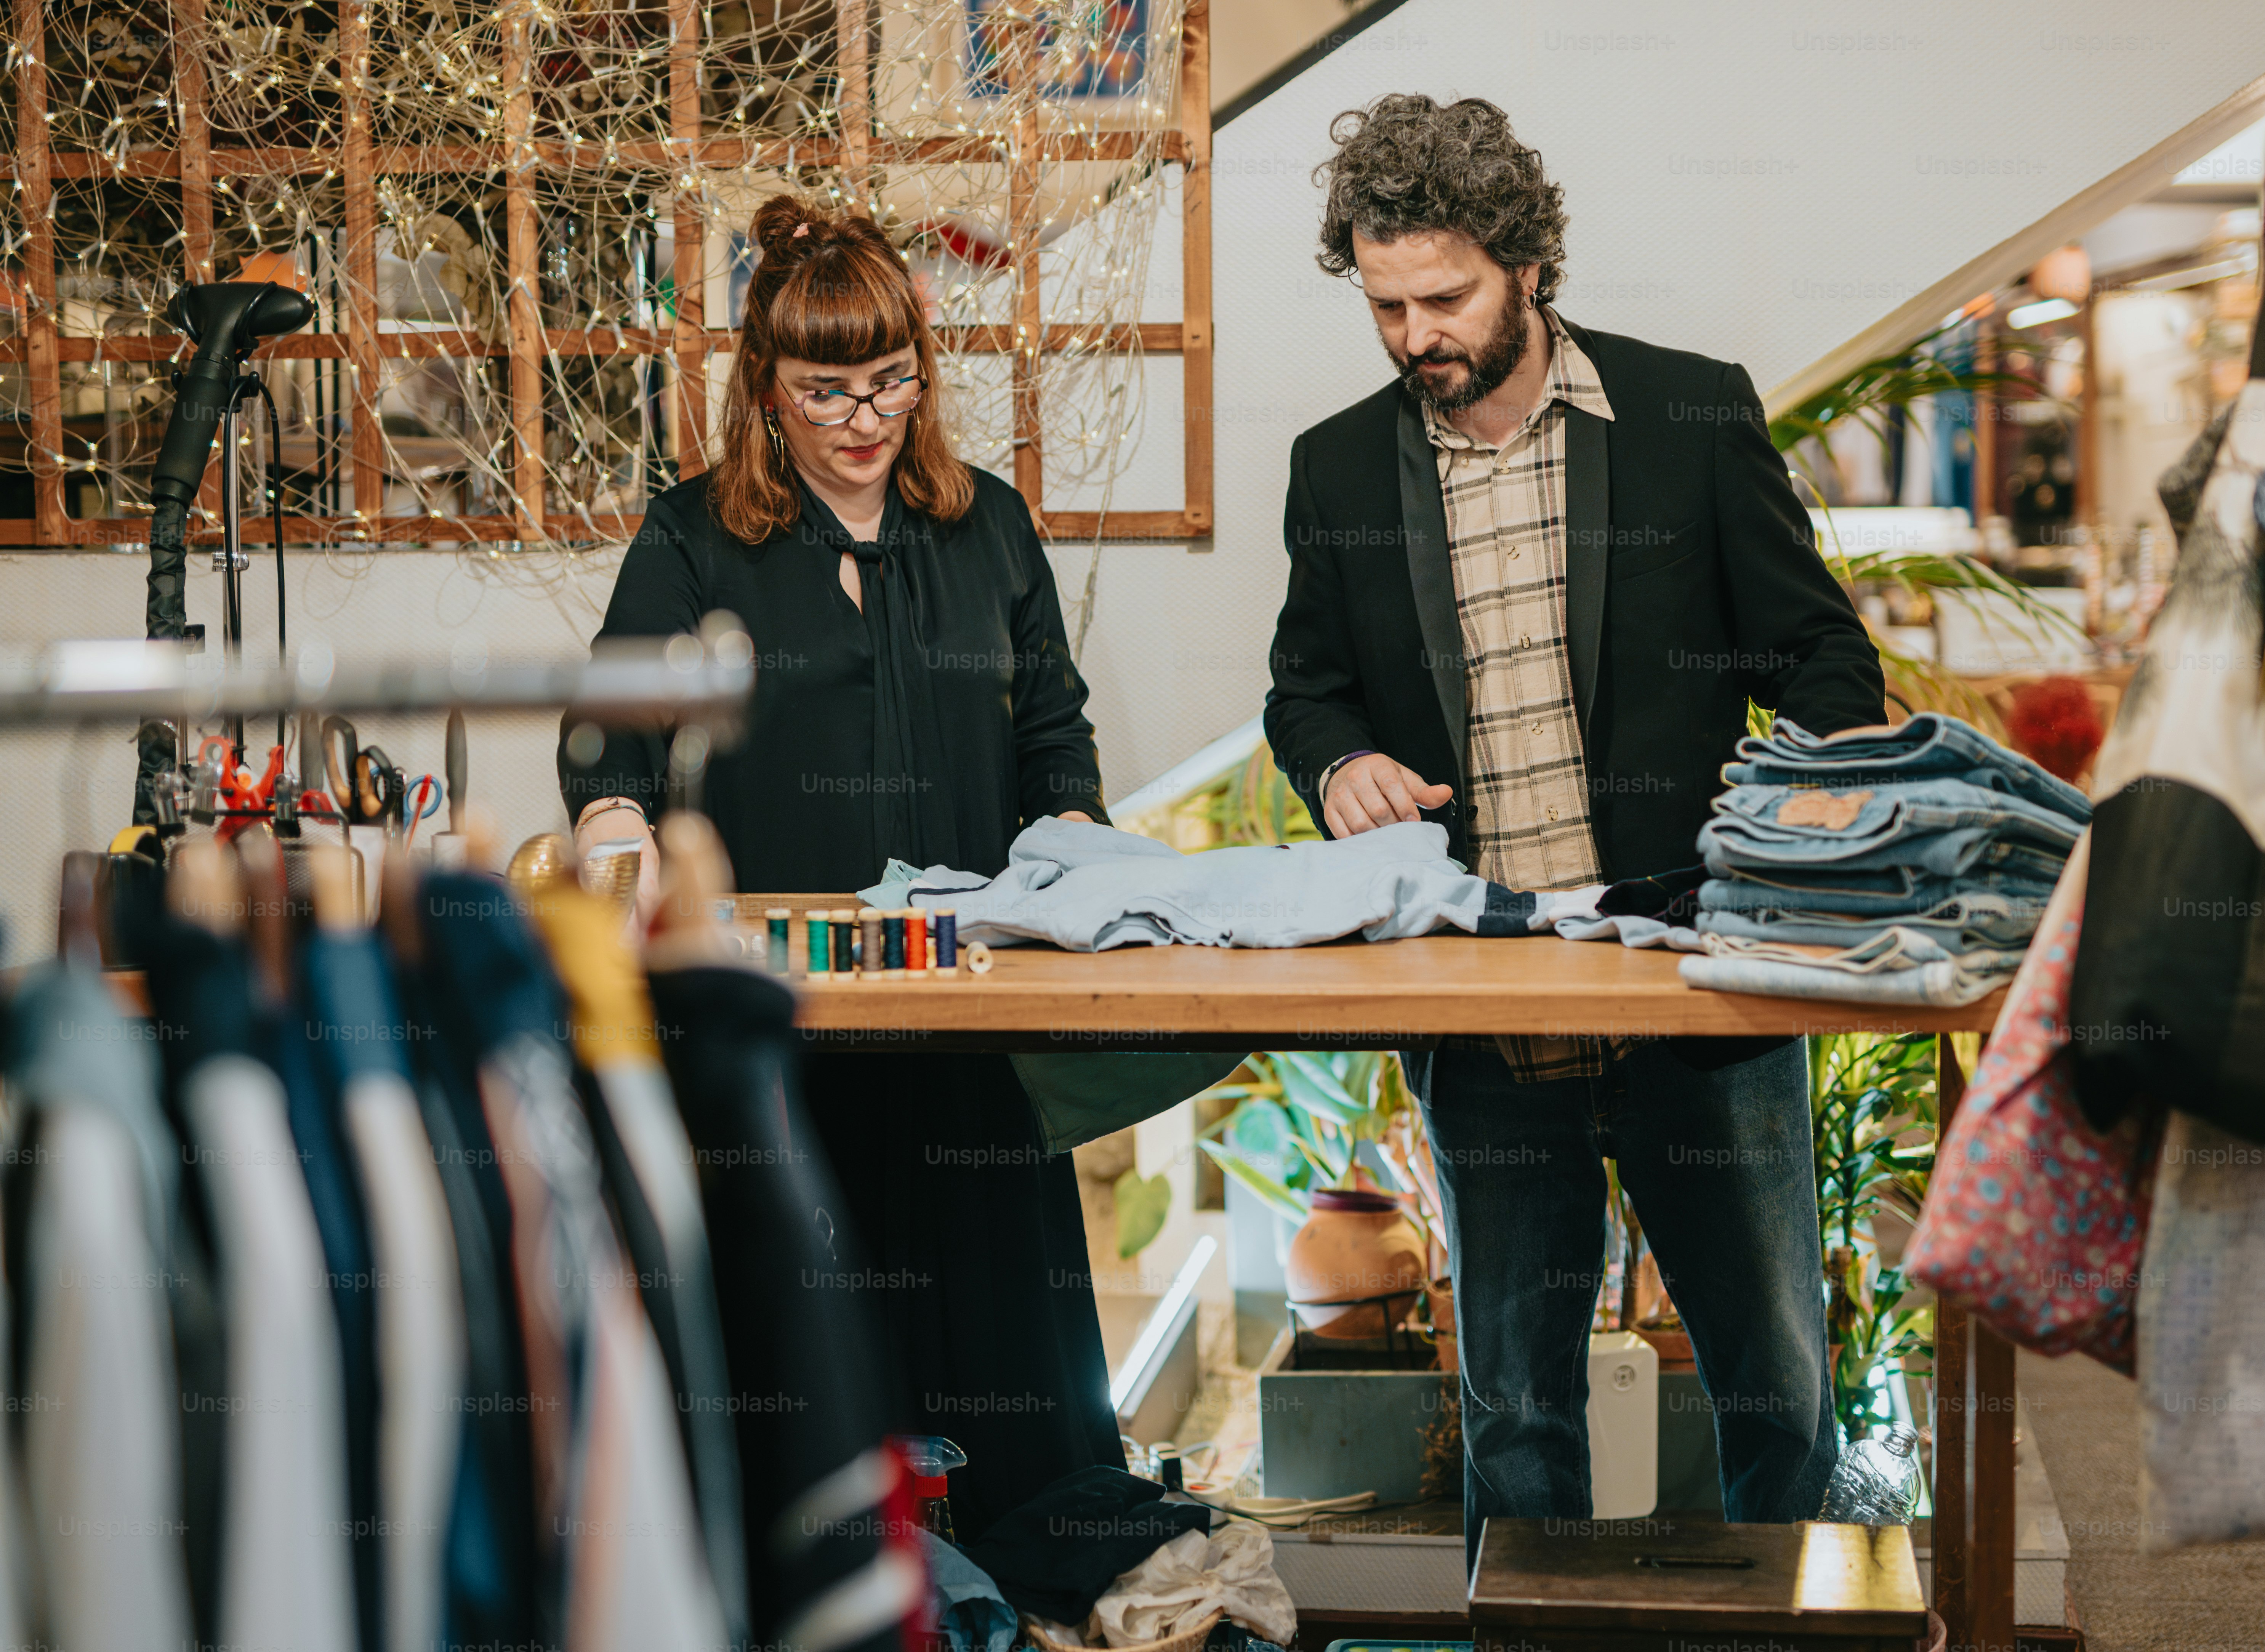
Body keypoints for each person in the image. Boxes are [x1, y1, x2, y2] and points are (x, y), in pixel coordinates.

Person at [1263, 95, 1889, 1554]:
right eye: (1386, 304)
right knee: (1518, 1424)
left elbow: (1820, 657)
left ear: (1530, 265)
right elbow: (1306, 696)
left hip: (1699, 983)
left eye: (1447, 296)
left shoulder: (1688, 415)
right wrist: (1338, 759)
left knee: (1779, 1399)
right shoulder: (1339, 469)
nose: (1416, 332)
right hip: (1484, 1008)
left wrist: (1821, 790)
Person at [559, 197, 1121, 1540]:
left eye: (889, 384)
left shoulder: (989, 525)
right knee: (809, 1326)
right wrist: (614, 829)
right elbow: (607, 741)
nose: (865, 420)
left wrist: (1081, 839)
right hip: (791, 1019)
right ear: (767, 388)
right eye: (827, 393)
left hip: (971, 1000)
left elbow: (1054, 732)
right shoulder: (694, 539)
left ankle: (1010, 1563)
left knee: (996, 1336)